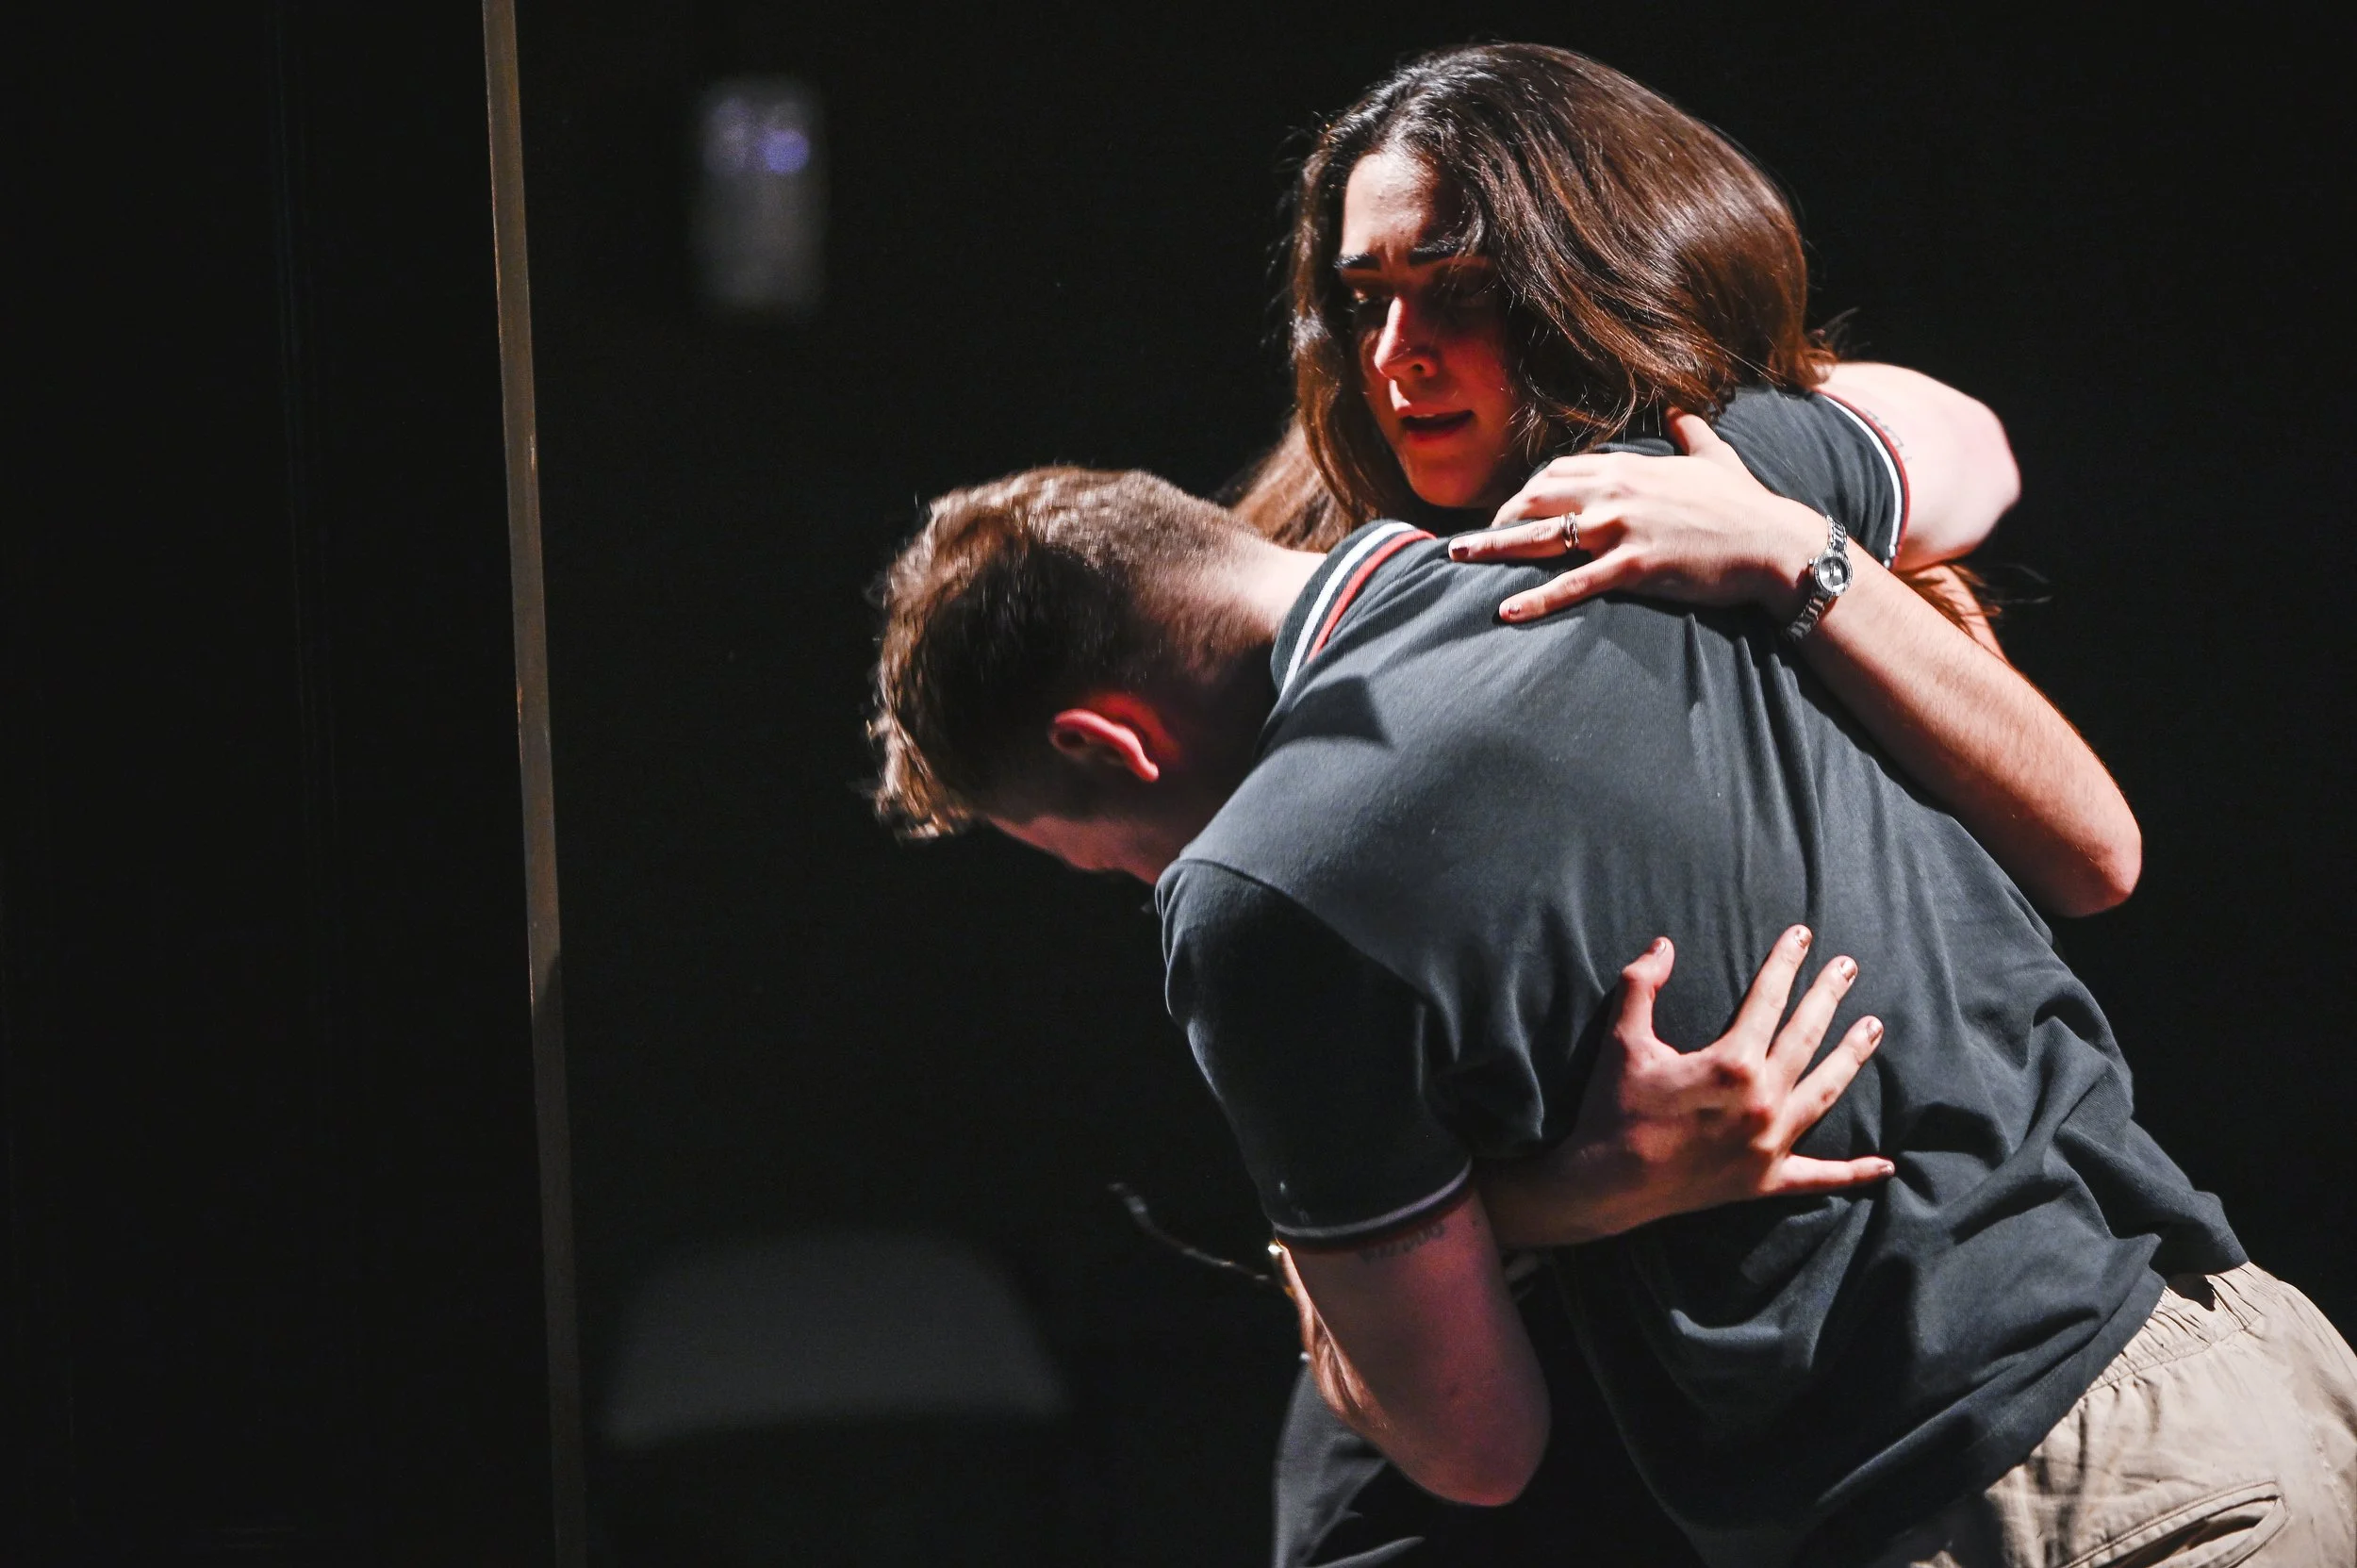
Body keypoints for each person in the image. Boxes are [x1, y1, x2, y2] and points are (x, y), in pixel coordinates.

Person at [865, 460, 2357, 1566]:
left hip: (2025, 1505)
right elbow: (1958, 450)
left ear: (1107, 743)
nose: (1144, 885)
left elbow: (1473, 1439)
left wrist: (1370, 1255)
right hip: (2250, 1365)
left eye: (1102, 861)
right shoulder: (1655, 514)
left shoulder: (1261, 892)